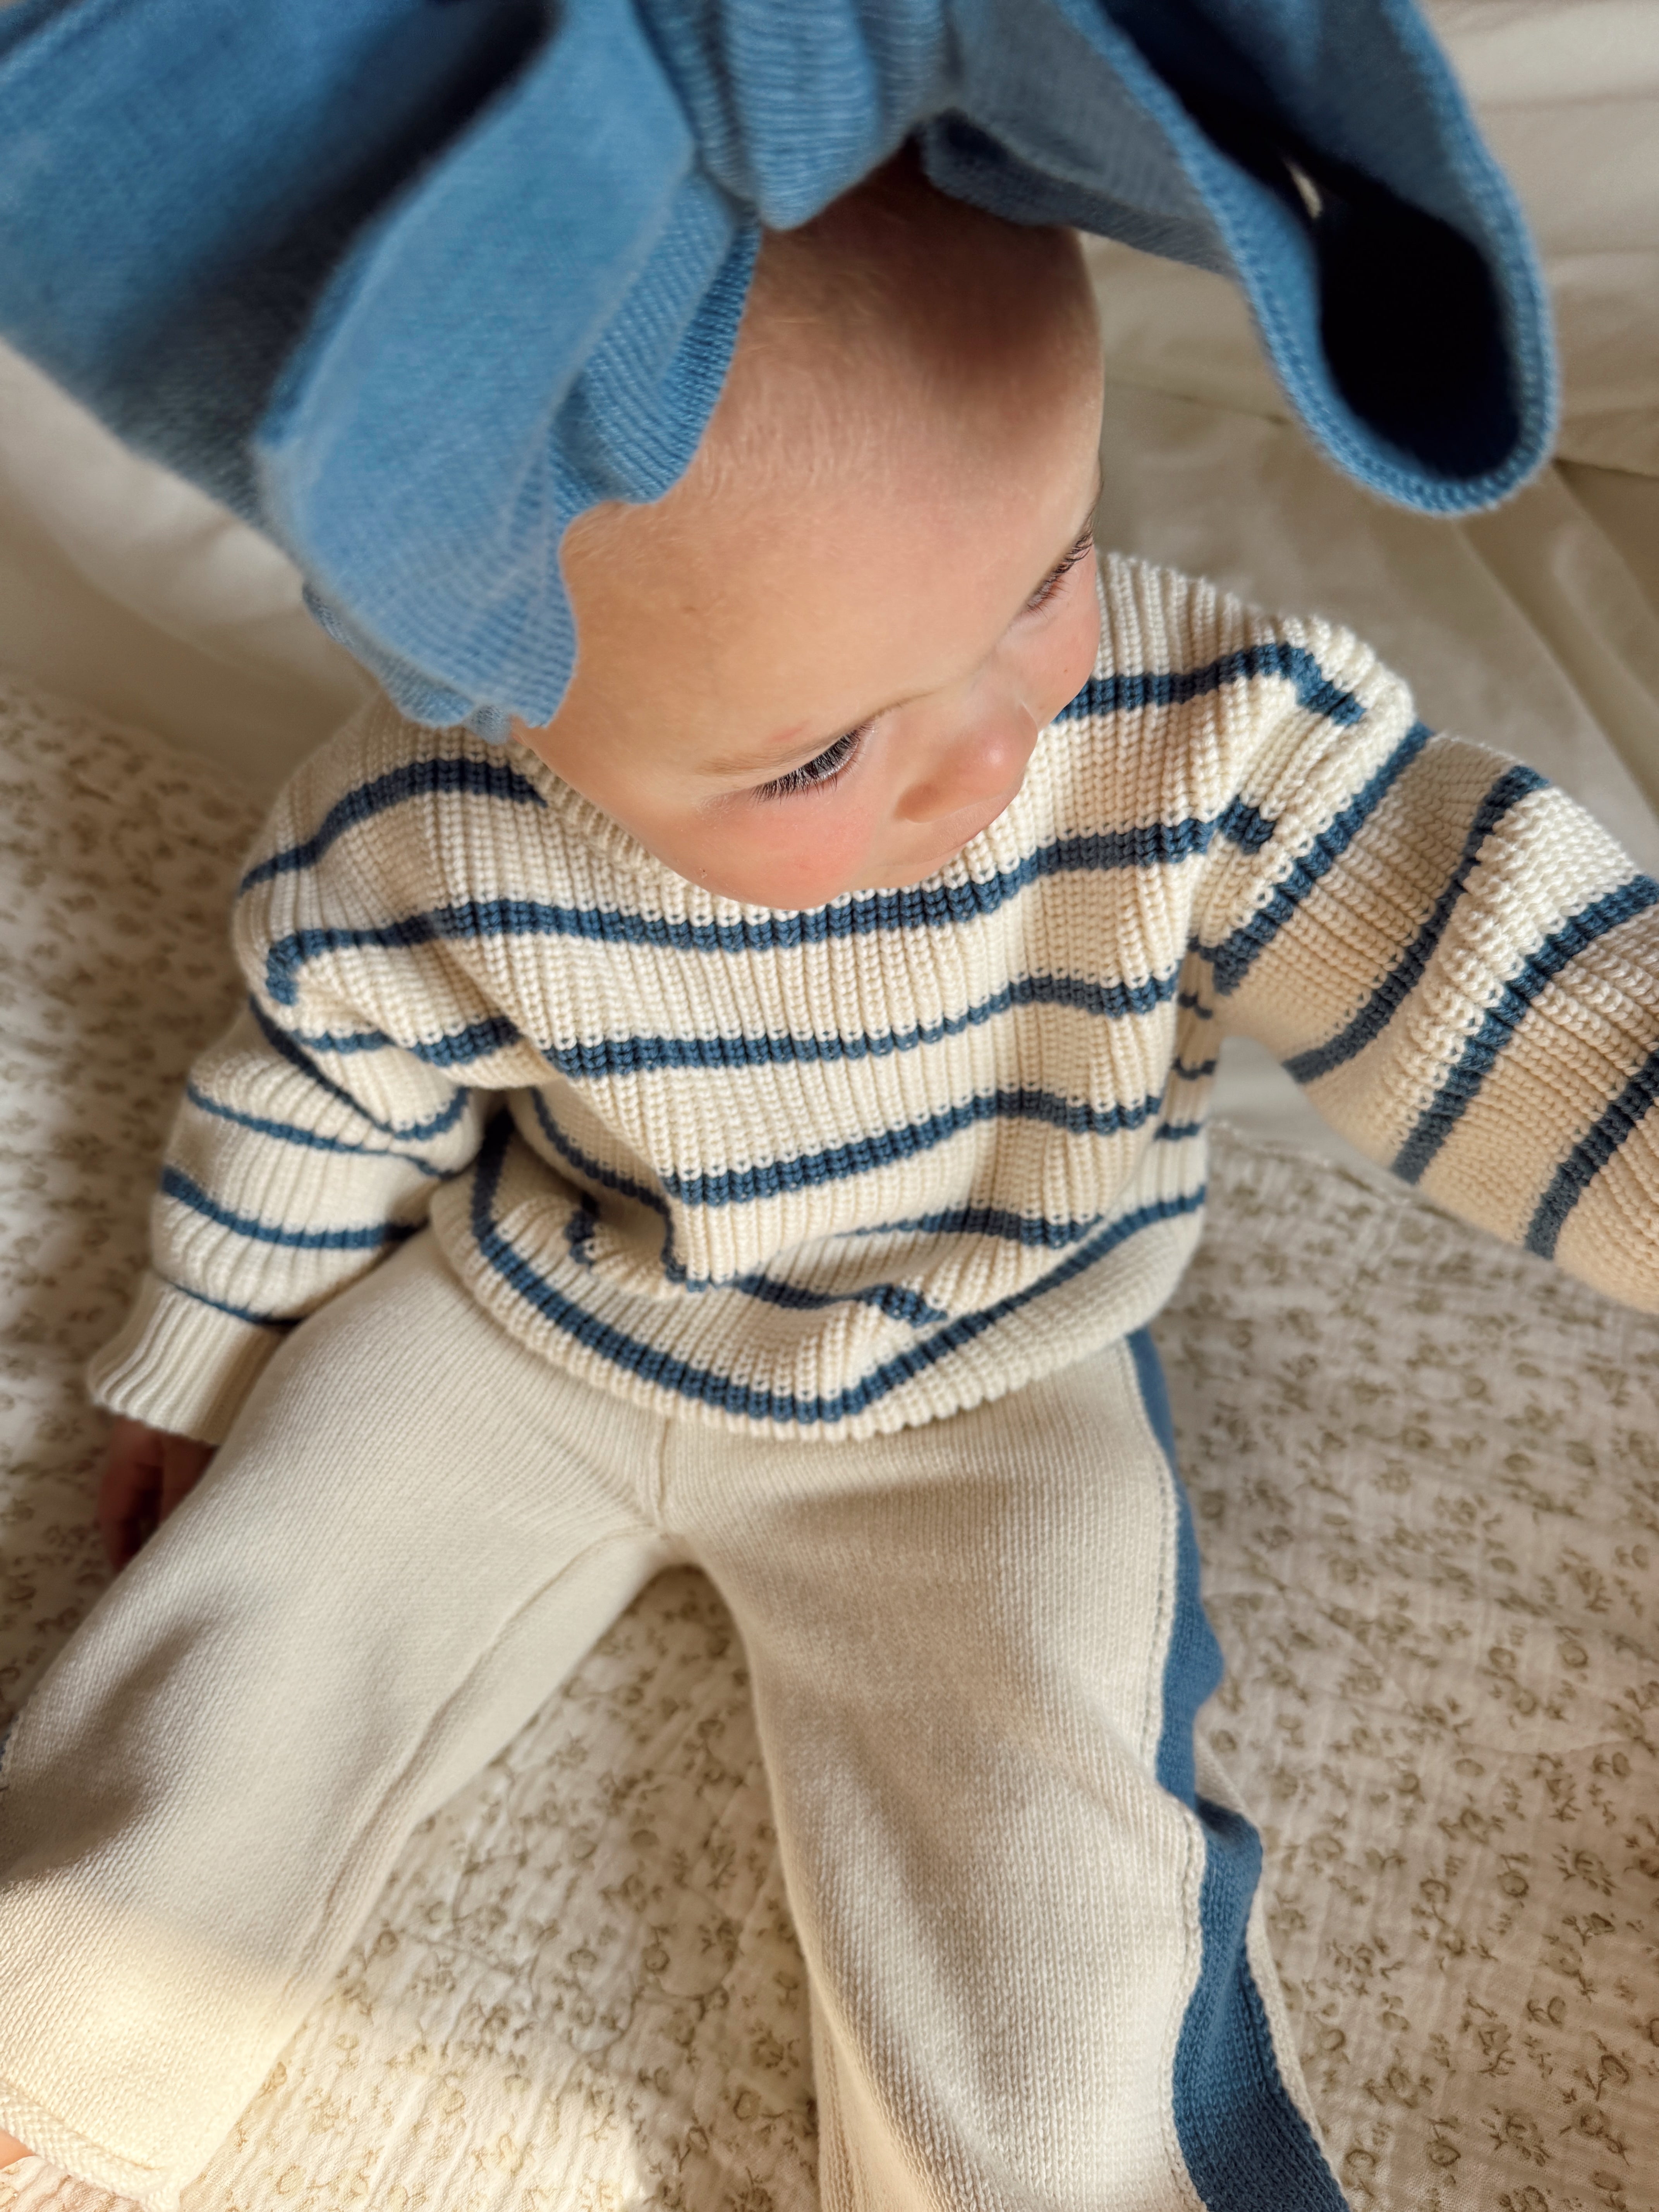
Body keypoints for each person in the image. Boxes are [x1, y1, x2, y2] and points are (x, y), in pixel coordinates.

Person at [0, 155, 1653, 2212]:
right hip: (535, 1315)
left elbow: (1478, 948)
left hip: (984, 1364)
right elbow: (321, 1086)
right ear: (491, 684)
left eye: (1041, 576)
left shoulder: (1186, 728)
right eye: (817, 756)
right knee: (259, 1611)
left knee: (1042, 1837)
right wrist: (214, 1346)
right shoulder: (416, 822)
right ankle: (52, 2032)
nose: (989, 743)